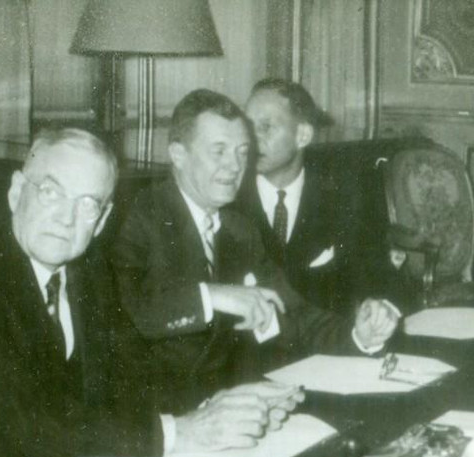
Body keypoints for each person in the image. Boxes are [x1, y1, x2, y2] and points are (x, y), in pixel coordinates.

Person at [0, 125, 301, 457]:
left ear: (102, 220)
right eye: (51, 192)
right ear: (16, 191)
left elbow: (131, 375)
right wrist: (182, 431)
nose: (66, 218)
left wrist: (225, 405)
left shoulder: (85, 273)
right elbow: (27, 422)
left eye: (88, 204)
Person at [114, 90, 399, 411]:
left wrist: (360, 335)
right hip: (152, 414)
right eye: (219, 151)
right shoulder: (136, 217)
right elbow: (124, 317)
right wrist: (212, 296)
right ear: (178, 155)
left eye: (242, 152)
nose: (235, 166)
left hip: (228, 405)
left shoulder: (238, 229)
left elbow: (294, 315)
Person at [240, 79, 404, 312]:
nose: (250, 140)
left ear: (303, 135)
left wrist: (382, 311)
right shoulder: (229, 197)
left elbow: (377, 276)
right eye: (247, 127)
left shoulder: (342, 196)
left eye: (266, 127)